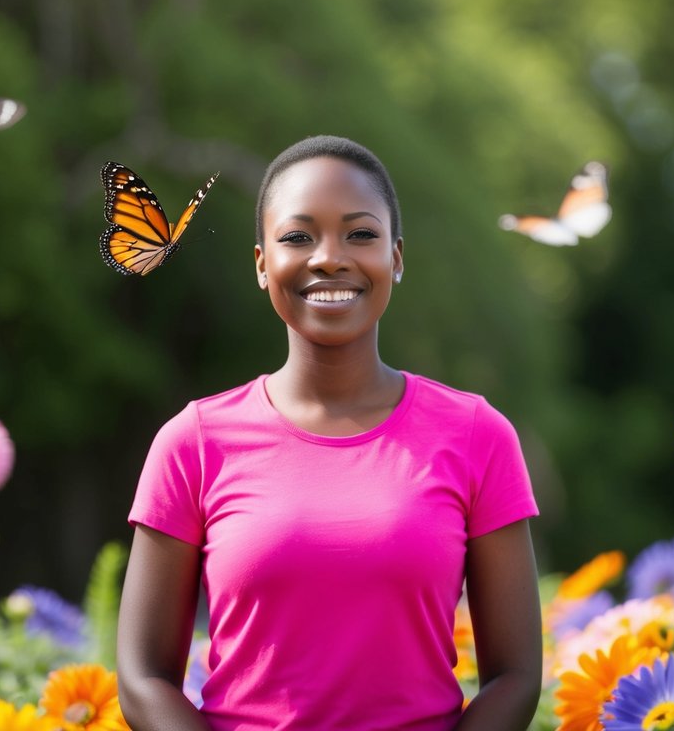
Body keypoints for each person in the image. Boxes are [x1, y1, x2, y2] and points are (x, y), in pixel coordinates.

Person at [116, 135, 542, 730]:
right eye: (297, 236)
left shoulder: (477, 435)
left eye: (360, 234)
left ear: (395, 257)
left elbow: (516, 675)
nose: (329, 257)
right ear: (263, 263)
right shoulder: (193, 443)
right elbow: (142, 678)